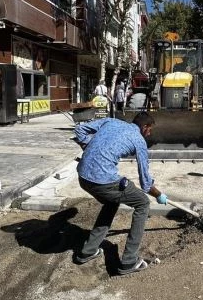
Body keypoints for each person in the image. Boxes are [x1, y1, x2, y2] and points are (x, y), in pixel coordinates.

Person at [72, 112, 168, 274]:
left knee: (112, 201)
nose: (149, 133)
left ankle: (88, 251)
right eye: (149, 129)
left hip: (83, 176)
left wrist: (90, 146)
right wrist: (158, 194)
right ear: (144, 127)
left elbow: (79, 130)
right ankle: (129, 261)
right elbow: (145, 183)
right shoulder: (139, 141)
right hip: (102, 181)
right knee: (143, 203)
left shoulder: (111, 122)